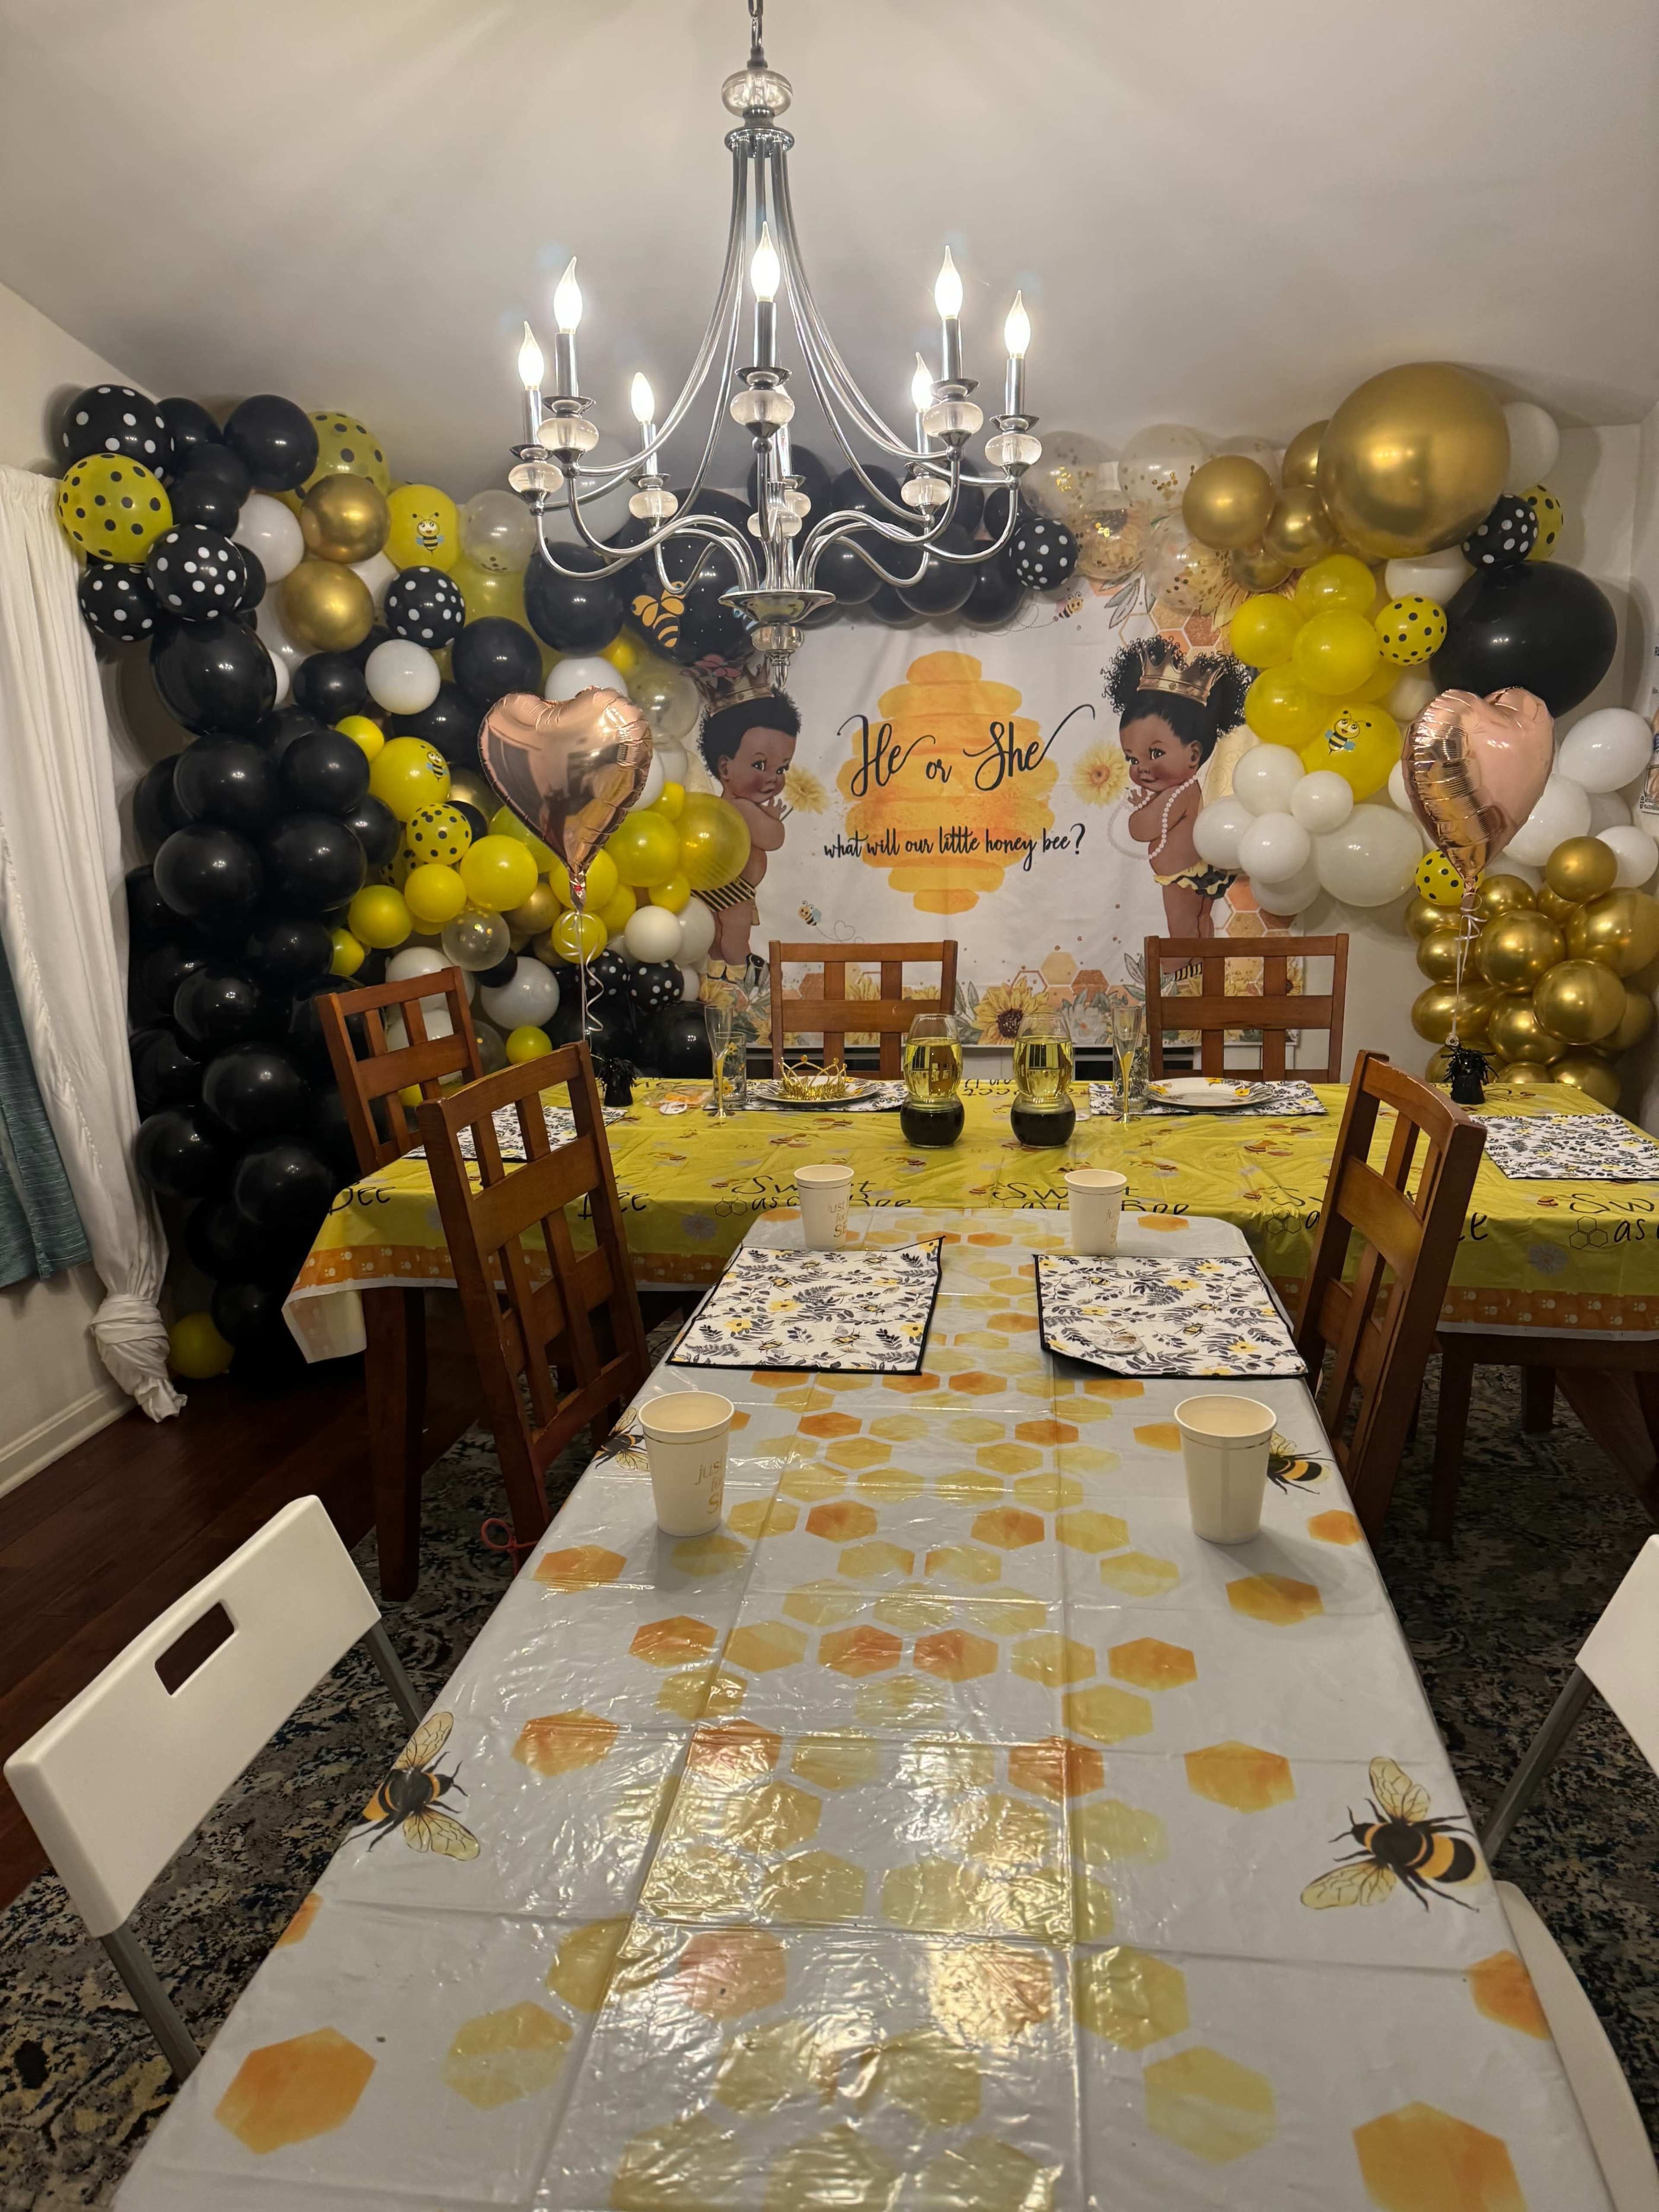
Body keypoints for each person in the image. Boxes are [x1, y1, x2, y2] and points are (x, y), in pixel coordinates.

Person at [1108, 637, 1249, 936]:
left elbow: (1141, 829)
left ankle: (1178, 972)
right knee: (1199, 922)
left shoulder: (1177, 794)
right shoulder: (1189, 790)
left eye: (1155, 754)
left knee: (1181, 927)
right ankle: (1199, 970)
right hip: (1200, 872)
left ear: (1194, 754)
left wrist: (1137, 812)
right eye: (1131, 759)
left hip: (1182, 877)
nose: (1142, 767)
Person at [696, 690, 800, 972]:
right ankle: (741, 966)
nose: (772, 778)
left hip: (723, 885)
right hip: (732, 888)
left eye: (782, 769)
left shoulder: (728, 806)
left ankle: (720, 968)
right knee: (736, 930)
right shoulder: (741, 808)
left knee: (718, 933)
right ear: (725, 768)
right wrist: (773, 819)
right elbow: (773, 838)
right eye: (760, 765)